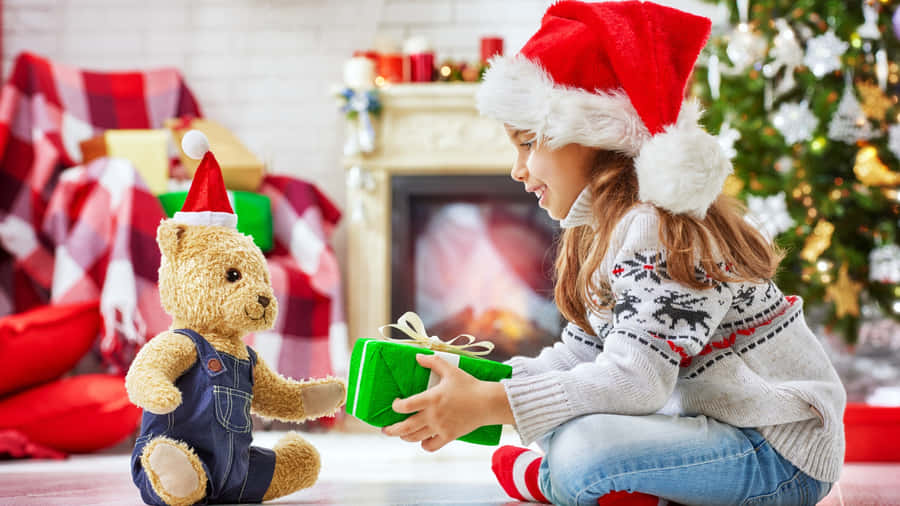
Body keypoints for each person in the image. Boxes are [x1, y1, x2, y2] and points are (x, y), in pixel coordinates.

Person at [380, 2, 846, 505]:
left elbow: (637, 381)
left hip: (776, 452)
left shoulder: (657, 226)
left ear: (594, 135)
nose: (517, 169)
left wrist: (496, 402)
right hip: (713, 429)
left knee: (580, 450)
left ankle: (557, 479)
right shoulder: (600, 229)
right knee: (563, 420)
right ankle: (621, 484)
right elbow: (583, 354)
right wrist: (484, 381)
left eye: (529, 143)